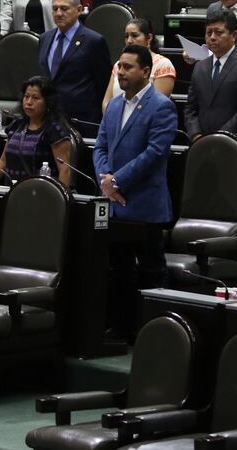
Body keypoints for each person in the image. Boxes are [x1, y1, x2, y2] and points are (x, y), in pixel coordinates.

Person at [93, 44, 177, 338]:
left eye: (128, 67)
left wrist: (117, 181)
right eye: (119, 66)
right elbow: (100, 145)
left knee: (151, 272)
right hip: (116, 204)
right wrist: (105, 178)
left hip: (145, 204)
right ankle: (121, 328)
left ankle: (156, 333)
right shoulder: (114, 105)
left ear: (145, 71)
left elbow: (155, 153)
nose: (121, 72)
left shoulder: (162, 106)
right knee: (119, 271)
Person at [184, 10, 237, 146]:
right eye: (208, 32)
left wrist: (220, 136)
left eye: (218, 32)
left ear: (234, 35)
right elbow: (190, 107)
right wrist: (195, 134)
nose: (212, 37)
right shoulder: (200, 66)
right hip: (202, 144)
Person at [39, 0, 109, 127]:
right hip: (49, 117)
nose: (58, 13)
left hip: (81, 119)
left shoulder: (93, 41)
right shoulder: (44, 38)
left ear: (79, 10)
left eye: (64, 8)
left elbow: (104, 83)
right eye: (55, 9)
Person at [0, 76, 72, 186]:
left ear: (48, 102)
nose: (29, 102)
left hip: (41, 194)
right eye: (26, 97)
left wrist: (60, 199)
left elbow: (65, 170)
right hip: (12, 193)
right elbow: (3, 161)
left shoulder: (55, 130)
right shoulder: (17, 125)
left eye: (35, 98)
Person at [103, 18, 176, 112]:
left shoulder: (163, 64)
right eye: (126, 36)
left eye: (134, 35)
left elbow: (156, 106)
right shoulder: (118, 64)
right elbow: (106, 101)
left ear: (149, 38)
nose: (129, 41)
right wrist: (112, 120)